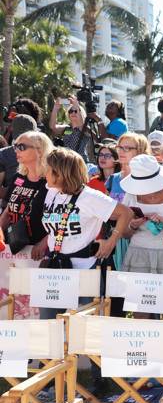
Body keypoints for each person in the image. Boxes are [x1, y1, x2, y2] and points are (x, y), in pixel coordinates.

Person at [38, 148, 131, 317]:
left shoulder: (90, 197)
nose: (45, 172)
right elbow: (57, 228)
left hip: (84, 270)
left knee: (84, 329)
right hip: (55, 268)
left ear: (61, 173)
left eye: (49, 168)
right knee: (48, 323)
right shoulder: (51, 191)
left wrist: (111, 241)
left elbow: (126, 213)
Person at [119, 155, 163, 280]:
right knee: (136, 299)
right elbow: (125, 234)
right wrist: (133, 225)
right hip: (137, 256)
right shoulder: (130, 195)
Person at [0, 130, 53, 259]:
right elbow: (8, 212)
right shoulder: (18, 178)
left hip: (41, 251)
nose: (16, 150)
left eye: (21, 147)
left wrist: (44, 243)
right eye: (15, 146)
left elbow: (63, 217)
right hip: (15, 247)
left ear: (40, 150)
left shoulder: (52, 181)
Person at [0, 114, 38, 202]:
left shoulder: (3, 154)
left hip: (36, 208)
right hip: (12, 209)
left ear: (12, 130)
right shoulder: (3, 155)